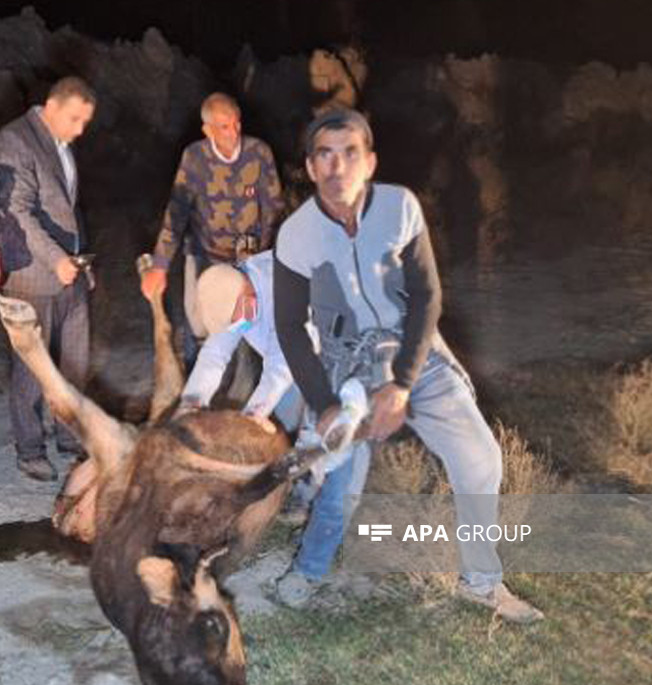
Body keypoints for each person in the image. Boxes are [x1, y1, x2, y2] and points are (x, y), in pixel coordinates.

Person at [271, 107, 543, 623]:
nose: (337, 168)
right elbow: (289, 326)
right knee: (339, 481)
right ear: (310, 168)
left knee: (480, 458)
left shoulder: (400, 207)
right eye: (324, 156)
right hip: (346, 367)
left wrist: (402, 384)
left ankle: (481, 582)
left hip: (413, 352)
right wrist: (325, 403)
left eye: (349, 153)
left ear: (370, 162)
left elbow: (427, 296)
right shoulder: (296, 235)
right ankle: (307, 572)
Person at [0, 77, 97, 482]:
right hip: (32, 273)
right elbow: (15, 211)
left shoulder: (61, 145)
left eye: (86, 121)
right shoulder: (12, 141)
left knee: (74, 363)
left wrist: (83, 262)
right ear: (50, 105)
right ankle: (29, 448)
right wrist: (56, 260)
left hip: (71, 273)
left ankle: (69, 438)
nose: (80, 129)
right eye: (75, 119)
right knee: (32, 368)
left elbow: (69, 208)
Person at [140, 92, 284, 365]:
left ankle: (244, 381)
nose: (234, 132)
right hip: (203, 251)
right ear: (208, 130)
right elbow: (177, 211)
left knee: (245, 321)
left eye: (237, 123)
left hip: (246, 256)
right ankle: (197, 382)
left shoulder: (259, 153)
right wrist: (160, 265)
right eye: (224, 127)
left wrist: (261, 259)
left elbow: (273, 209)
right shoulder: (195, 158)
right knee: (198, 324)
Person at [173, 253, 311, 433]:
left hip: (330, 352)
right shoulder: (232, 287)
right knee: (283, 419)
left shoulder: (286, 297)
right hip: (287, 358)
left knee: (319, 430)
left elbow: (280, 367)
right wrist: (192, 401)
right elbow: (215, 353)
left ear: (246, 290)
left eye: (235, 319)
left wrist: (252, 415)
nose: (236, 326)